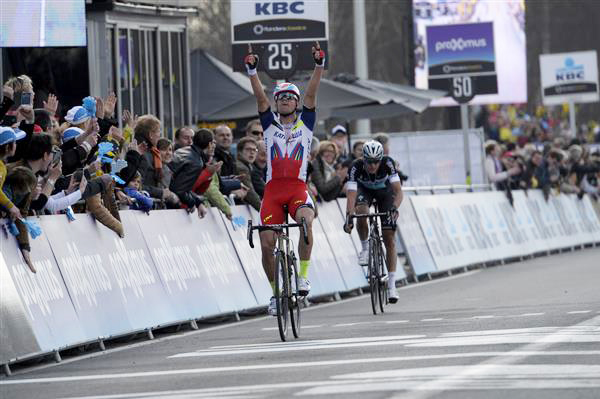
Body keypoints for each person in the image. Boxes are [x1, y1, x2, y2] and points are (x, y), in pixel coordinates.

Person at [245, 41, 324, 315]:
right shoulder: (269, 125)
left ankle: (302, 276)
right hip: (273, 192)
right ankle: (276, 294)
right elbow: (260, 99)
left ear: (297, 102)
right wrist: (252, 72)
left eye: (291, 97)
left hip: (297, 189)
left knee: (305, 221)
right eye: (282, 98)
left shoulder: (306, 124)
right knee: (267, 244)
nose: (286, 100)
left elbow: (313, 94)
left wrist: (318, 65)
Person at [343, 140, 403, 303]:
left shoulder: (388, 163)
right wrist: (348, 216)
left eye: (376, 161)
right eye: (369, 161)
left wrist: (395, 208)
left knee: (389, 237)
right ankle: (365, 247)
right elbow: (351, 195)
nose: (373, 165)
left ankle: (391, 285)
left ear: (381, 159)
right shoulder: (356, 166)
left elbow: (398, 191)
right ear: (364, 159)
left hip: (385, 193)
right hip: (365, 191)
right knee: (361, 212)